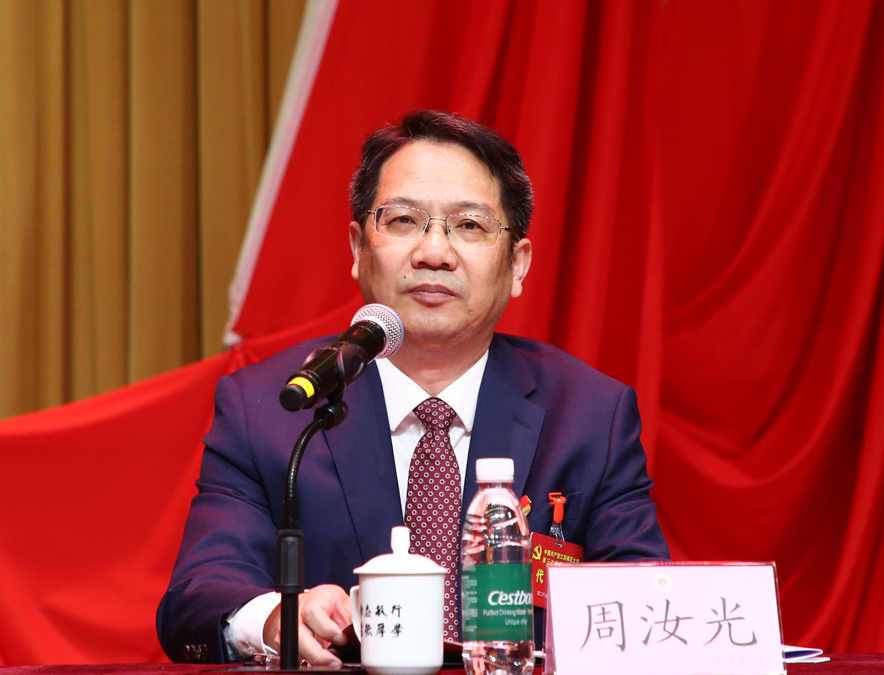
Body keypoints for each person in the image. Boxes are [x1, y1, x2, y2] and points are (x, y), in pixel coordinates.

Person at [157, 109, 669, 666]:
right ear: (358, 248)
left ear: (518, 265)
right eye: (403, 220)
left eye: (470, 226)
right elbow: (198, 595)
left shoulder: (590, 415)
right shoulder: (272, 407)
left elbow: (647, 607)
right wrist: (273, 618)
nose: (434, 253)